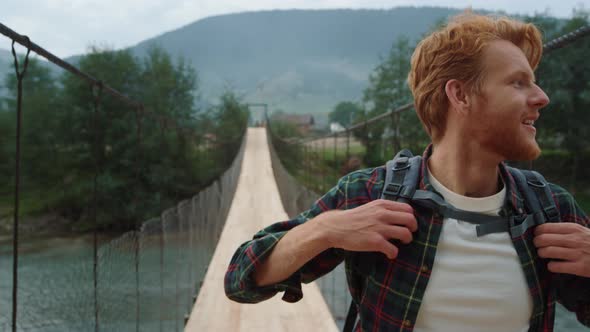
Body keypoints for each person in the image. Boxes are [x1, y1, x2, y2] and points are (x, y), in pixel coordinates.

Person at [224, 11, 590, 332]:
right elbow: (240, 278)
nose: (542, 97)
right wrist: (327, 228)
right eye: (518, 82)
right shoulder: (371, 194)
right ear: (460, 95)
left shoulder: (549, 208)